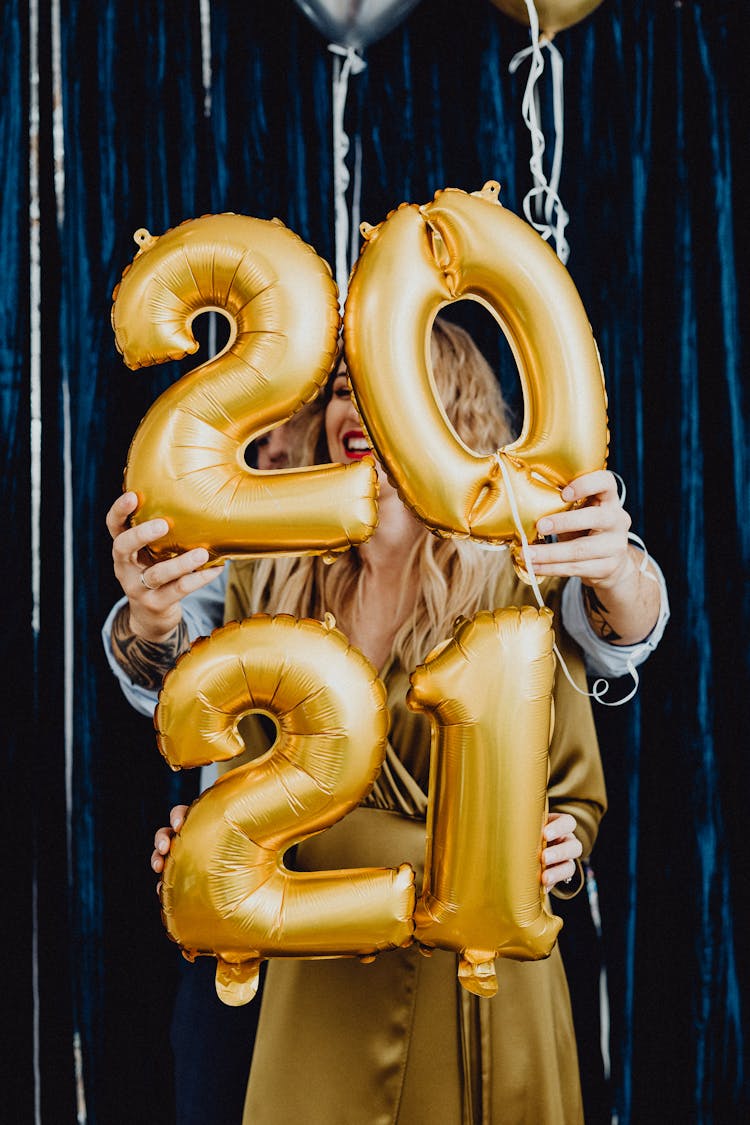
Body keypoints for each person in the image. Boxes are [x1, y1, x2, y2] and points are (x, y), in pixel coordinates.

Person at [104, 319, 668, 1124]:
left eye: (389, 383)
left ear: (449, 414)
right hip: (314, 974)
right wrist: (207, 843)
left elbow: (622, 642)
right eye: (343, 388)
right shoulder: (263, 571)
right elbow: (167, 676)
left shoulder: (516, 568)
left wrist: (563, 847)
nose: (361, 406)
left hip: (473, 972)